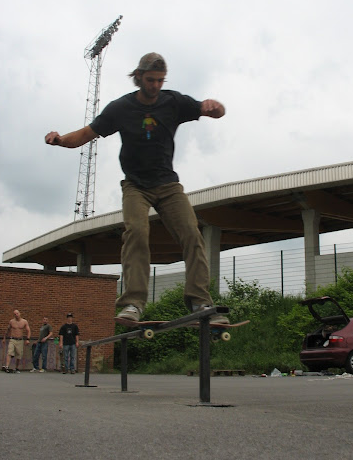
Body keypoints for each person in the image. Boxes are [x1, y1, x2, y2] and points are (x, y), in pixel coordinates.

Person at [45, 52, 228, 324]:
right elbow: (84, 135)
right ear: (138, 77)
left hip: (168, 184)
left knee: (191, 233)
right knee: (137, 232)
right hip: (135, 187)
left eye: (160, 80)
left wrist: (216, 107)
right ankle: (132, 304)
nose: (155, 86)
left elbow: (214, 110)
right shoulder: (120, 108)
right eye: (151, 80)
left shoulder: (174, 101)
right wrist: (60, 140)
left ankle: (199, 301)